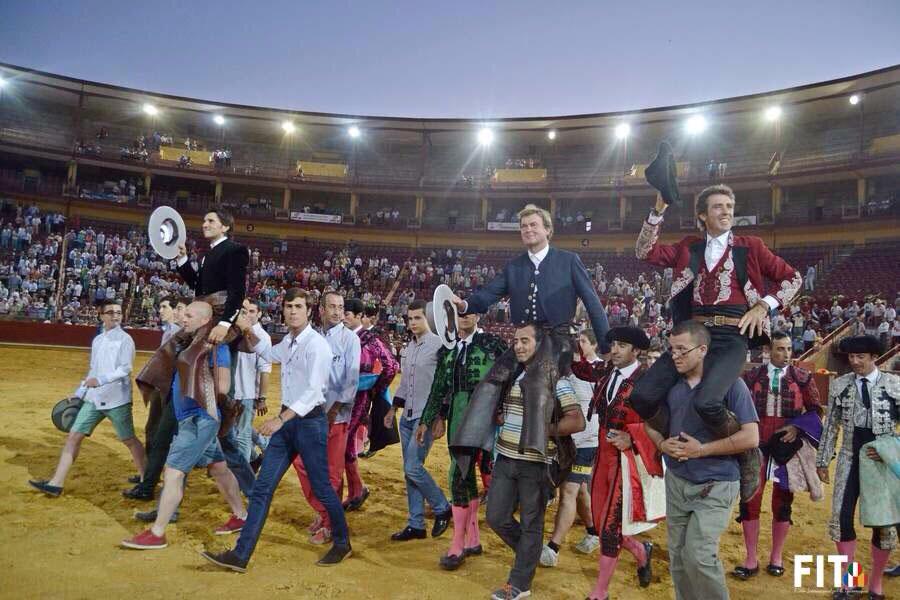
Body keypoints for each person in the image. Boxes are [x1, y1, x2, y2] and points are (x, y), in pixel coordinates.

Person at [633, 185, 800, 502]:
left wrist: (764, 305)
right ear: (702, 215)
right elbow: (644, 252)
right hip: (694, 335)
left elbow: (793, 279)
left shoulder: (751, 246)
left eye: (729, 206)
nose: (726, 211)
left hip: (733, 335)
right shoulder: (689, 246)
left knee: (707, 401)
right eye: (718, 207)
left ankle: (746, 452)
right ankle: (674, 440)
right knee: (642, 397)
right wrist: (658, 209)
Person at [201, 288, 351, 570]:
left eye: (298, 306)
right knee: (262, 490)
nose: (292, 311)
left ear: (309, 311)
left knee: (321, 487)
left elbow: (314, 392)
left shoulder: (317, 345)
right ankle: (240, 555)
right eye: (288, 306)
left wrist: (281, 420)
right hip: (288, 423)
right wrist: (249, 326)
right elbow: (267, 352)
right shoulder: (290, 342)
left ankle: (342, 542)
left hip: (308, 422)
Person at [643, 321, 759, 600]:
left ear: (703, 350)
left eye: (682, 349)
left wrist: (701, 450)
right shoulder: (670, 385)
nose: (676, 356)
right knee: (679, 558)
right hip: (678, 481)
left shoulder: (732, 386)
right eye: (672, 350)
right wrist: (661, 443)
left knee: (699, 556)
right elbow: (650, 423)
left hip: (716, 483)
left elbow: (751, 437)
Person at [121, 301, 247, 549]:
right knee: (219, 469)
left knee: (173, 473)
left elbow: (223, 387)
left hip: (199, 421)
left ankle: (157, 533)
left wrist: (200, 390)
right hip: (192, 419)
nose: (184, 318)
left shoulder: (216, 348)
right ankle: (242, 515)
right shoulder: (190, 343)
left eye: (189, 315)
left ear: (204, 321)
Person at [486, 323, 586, 600]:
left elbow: (577, 420)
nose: (518, 346)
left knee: (531, 522)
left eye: (525, 341)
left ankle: (519, 584)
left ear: (540, 344)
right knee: (496, 516)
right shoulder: (514, 374)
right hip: (505, 456)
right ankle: (530, 553)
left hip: (536, 463)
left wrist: (542, 430)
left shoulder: (556, 377)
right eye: (516, 341)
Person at [569, 327, 659, 600]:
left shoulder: (647, 380)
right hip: (603, 453)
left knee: (609, 524)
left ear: (636, 350)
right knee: (600, 518)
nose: (615, 349)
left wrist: (633, 438)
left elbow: (662, 420)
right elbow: (582, 370)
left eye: (622, 345)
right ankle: (642, 552)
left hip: (628, 459)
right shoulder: (608, 372)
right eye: (614, 344)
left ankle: (600, 592)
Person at [451, 203, 610, 356]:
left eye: (533, 225)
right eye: (524, 226)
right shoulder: (513, 266)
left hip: (558, 344)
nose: (528, 229)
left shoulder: (569, 261)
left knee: (537, 382)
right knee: (493, 382)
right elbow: (489, 294)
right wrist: (465, 305)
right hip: (522, 344)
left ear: (548, 229)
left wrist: (606, 346)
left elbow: (592, 303)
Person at [417, 309, 507, 570]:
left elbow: (511, 378)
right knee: (462, 476)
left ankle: (458, 545)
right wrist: (429, 419)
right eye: (459, 314)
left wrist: (502, 409)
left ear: (478, 316)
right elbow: (438, 389)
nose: (464, 318)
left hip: (487, 418)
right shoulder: (448, 350)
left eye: (469, 314)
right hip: (459, 418)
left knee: (464, 475)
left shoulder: (493, 344)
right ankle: (472, 540)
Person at [30, 300, 145, 497]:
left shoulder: (126, 340)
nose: (116, 316)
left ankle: (146, 480)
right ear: (101, 315)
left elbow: (125, 369)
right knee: (74, 436)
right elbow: (93, 370)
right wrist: (79, 392)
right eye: (110, 312)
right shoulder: (98, 340)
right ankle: (56, 483)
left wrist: (100, 380)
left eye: (118, 312)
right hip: (93, 399)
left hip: (117, 399)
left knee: (129, 440)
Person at [816, 335, 899, 600]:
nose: (855, 362)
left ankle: (875, 585)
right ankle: (851, 583)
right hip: (849, 459)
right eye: (851, 357)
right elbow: (831, 426)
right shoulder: (840, 385)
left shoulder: (894, 385)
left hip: (881, 464)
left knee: (883, 525)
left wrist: (891, 449)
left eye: (860, 357)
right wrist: (823, 460)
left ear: (874, 357)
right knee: (841, 521)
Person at [734, 331, 822, 580]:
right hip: (756, 445)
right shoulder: (751, 377)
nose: (786, 355)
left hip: (786, 445)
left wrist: (797, 427)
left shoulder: (801, 377)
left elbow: (816, 410)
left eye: (789, 350)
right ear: (768, 352)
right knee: (750, 498)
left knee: (783, 501)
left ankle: (776, 556)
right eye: (780, 349)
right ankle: (750, 559)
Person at [293, 291, 360, 545]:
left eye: (340, 307)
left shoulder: (349, 339)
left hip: (336, 417)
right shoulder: (311, 337)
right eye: (331, 306)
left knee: (332, 473)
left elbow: (351, 382)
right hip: (310, 415)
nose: (336, 311)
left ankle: (330, 524)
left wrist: (332, 412)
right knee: (301, 464)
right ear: (320, 309)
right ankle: (325, 512)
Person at [384, 299, 452, 542]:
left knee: (412, 467)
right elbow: (404, 384)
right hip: (407, 416)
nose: (412, 323)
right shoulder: (409, 347)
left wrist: (440, 417)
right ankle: (416, 524)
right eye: (410, 319)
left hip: (426, 416)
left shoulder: (439, 346)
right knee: (409, 471)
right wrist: (393, 409)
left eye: (417, 318)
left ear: (428, 319)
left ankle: (442, 506)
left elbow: (445, 386)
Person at [540, 328, 602, 569]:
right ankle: (593, 532)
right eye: (578, 340)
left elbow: (592, 412)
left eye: (584, 341)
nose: (579, 344)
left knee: (569, 491)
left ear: (594, 345)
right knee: (581, 491)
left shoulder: (596, 371)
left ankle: (553, 547)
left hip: (585, 441)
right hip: (572, 441)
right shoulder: (571, 370)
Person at [123, 297, 190, 502]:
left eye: (179, 308)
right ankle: (150, 478)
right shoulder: (174, 333)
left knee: (168, 439)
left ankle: (153, 483)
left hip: (178, 394)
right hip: (167, 391)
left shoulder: (186, 336)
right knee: (158, 434)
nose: (176, 313)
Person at [343, 298, 399, 508]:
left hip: (358, 398)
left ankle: (357, 489)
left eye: (347, 314)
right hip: (342, 397)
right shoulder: (345, 336)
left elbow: (391, 365)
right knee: (346, 444)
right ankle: (357, 490)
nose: (343, 318)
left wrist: (375, 389)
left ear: (358, 316)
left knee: (344, 441)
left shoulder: (368, 338)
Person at [232, 298, 271, 462]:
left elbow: (265, 370)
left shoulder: (263, 337)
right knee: (238, 429)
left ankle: (244, 474)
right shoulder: (236, 331)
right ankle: (259, 452)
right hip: (233, 391)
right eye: (245, 310)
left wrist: (261, 397)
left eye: (252, 311)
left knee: (241, 434)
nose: (248, 314)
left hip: (248, 393)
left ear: (260, 314)